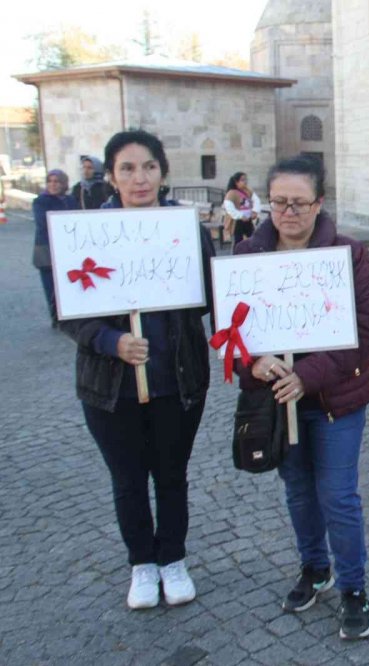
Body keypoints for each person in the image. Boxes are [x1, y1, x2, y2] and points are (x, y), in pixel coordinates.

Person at [60, 130, 215, 610]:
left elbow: (210, 297)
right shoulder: (85, 234)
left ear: (162, 173)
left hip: (177, 381)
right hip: (110, 389)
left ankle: (173, 558)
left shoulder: (186, 230)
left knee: (171, 475)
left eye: (148, 166)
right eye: (127, 168)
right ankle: (142, 563)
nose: (139, 178)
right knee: (127, 479)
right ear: (111, 176)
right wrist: (113, 341)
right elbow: (69, 312)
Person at [233, 155, 369, 640]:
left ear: (319, 203)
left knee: (338, 496)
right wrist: (252, 363)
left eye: (299, 202)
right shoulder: (247, 255)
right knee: (298, 491)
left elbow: (367, 328)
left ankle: (353, 587)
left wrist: (307, 375)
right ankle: (315, 568)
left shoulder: (348, 254)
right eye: (279, 202)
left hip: (337, 400)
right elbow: (231, 331)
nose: (289, 212)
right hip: (279, 401)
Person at [32, 169, 78, 326]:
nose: (53, 184)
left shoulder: (70, 200)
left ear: (64, 183)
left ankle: (70, 316)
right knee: (51, 287)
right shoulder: (41, 201)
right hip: (46, 250)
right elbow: (43, 223)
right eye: (50, 181)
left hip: (67, 249)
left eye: (57, 181)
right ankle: (56, 318)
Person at [222, 171, 261, 247]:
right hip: (237, 222)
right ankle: (236, 253)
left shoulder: (248, 191)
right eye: (242, 180)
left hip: (248, 219)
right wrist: (240, 216)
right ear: (236, 182)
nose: (245, 182)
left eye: (246, 180)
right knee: (238, 241)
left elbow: (256, 200)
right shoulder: (231, 193)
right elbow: (229, 207)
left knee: (252, 238)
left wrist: (255, 211)